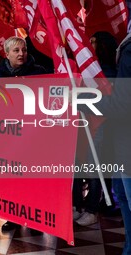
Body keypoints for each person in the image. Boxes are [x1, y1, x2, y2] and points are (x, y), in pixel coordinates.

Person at [78, 32, 131, 255]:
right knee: (121, 194)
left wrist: (83, 102)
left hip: (125, 143)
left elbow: (122, 104)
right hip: (118, 141)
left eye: (94, 43)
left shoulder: (126, 53)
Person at [0, 36, 46, 231]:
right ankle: (14, 217)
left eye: (23, 50)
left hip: (32, 135)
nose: (21, 54)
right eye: (16, 51)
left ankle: (34, 219)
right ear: (6, 54)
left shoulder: (39, 72)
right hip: (8, 135)